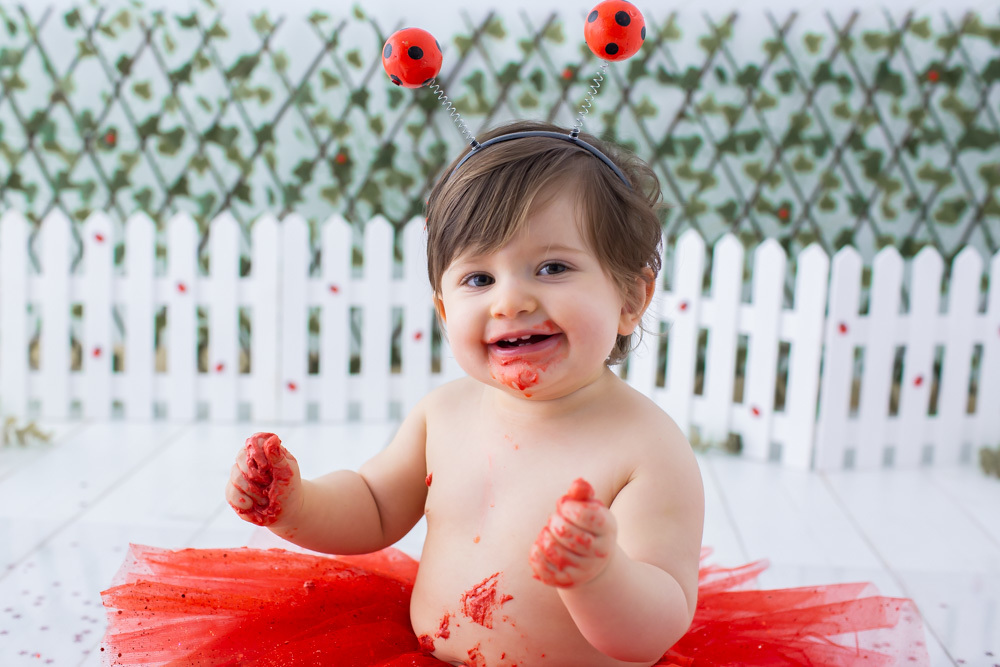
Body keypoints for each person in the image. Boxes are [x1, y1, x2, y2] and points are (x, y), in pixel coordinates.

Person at [101, 120, 928, 666]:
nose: (510, 299)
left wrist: (597, 571)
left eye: (553, 266)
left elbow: (657, 627)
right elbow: (372, 509)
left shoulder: (644, 448)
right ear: (442, 306)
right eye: (478, 276)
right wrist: (295, 501)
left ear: (633, 296)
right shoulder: (444, 412)